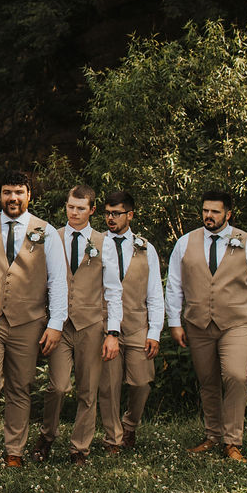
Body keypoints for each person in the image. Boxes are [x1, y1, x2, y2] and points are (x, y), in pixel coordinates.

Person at [166, 191, 247, 463]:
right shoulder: (185, 242)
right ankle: (212, 435)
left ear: (228, 214)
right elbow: (174, 285)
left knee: (237, 376)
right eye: (205, 211)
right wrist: (174, 322)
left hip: (236, 323)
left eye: (215, 212)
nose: (208, 216)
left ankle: (232, 441)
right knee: (208, 381)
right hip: (197, 323)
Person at [0, 171, 67, 468]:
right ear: (0, 195)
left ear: (29, 195)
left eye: (19, 192)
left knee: (20, 387)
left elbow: (58, 281)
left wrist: (55, 324)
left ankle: (15, 450)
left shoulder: (46, 231)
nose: (12, 198)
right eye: (7, 192)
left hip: (29, 321)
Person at [33, 184, 123, 465]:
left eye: (80, 208)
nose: (74, 212)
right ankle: (47, 436)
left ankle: (79, 449)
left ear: (92, 210)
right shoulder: (52, 237)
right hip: (60, 325)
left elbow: (113, 290)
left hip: (91, 325)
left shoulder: (103, 242)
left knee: (88, 390)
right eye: (70, 207)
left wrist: (113, 332)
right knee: (57, 387)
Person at [97, 191, 164, 451]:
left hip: (138, 323)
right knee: (109, 385)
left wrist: (155, 331)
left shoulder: (145, 247)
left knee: (142, 382)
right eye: (107, 213)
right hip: (104, 325)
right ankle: (113, 438)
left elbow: (155, 293)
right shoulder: (96, 243)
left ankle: (130, 425)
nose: (111, 218)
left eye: (116, 213)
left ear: (130, 215)